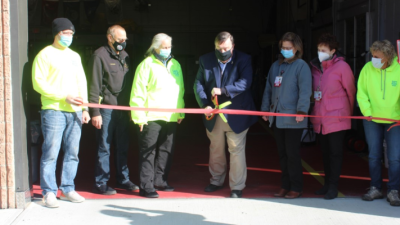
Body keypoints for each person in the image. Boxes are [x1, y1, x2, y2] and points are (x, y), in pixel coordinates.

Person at [32, 18, 90, 208]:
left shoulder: (74, 56)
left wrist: (85, 108)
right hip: (54, 110)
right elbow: (38, 83)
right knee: (51, 152)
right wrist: (63, 96)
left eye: (71, 33)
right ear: (56, 33)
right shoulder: (45, 55)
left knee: (73, 152)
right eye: (66, 33)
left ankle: (67, 189)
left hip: (74, 111)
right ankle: (48, 192)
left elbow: (82, 81)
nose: (69, 36)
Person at [194, 31, 258, 198]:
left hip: (236, 114)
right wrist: (204, 104)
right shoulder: (205, 60)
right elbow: (198, 84)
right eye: (219, 48)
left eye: (226, 48)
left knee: (236, 149)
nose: (223, 52)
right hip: (213, 113)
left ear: (233, 46)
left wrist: (222, 91)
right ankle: (216, 180)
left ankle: (236, 186)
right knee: (216, 149)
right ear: (214, 47)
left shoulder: (243, 59)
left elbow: (245, 83)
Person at [130, 33, 185, 198]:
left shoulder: (176, 64)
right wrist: (138, 116)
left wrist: (180, 110)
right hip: (151, 116)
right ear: (155, 47)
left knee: (166, 150)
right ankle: (146, 186)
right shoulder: (146, 65)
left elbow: (180, 90)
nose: (167, 50)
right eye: (164, 47)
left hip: (171, 116)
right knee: (148, 152)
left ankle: (160, 180)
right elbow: (137, 92)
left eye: (169, 47)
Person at [88, 25, 138, 195]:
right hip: (106, 109)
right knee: (105, 147)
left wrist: (132, 110)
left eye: (125, 40)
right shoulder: (99, 55)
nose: (123, 43)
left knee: (123, 145)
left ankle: (123, 179)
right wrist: (94, 112)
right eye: (120, 39)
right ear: (109, 38)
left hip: (123, 108)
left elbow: (130, 85)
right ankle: (100, 182)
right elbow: (94, 86)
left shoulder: (125, 56)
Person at [261, 32, 312, 199]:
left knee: (292, 154)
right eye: (283, 48)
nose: (285, 50)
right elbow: (268, 88)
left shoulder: (301, 66)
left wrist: (302, 111)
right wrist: (265, 110)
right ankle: (285, 185)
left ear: (297, 48)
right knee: (282, 154)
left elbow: (305, 91)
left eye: (288, 48)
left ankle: (296, 187)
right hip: (277, 117)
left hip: (293, 118)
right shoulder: (276, 65)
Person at [309, 33, 356, 200]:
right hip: (320, 118)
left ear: (333, 51)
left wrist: (348, 116)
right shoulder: (315, 67)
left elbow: (351, 92)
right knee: (325, 153)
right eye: (318, 49)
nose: (320, 52)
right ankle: (327, 184)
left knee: (335, 153)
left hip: (338, 118)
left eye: (324, 50)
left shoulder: (342, 67)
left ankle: (333, 187)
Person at [357, 40, 400, 206]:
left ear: (388, 57)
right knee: (374, 155)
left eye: (377, 56)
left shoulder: (398, 69)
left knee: (395, 157)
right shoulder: (368, 69)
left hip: (394, 121)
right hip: (371, 120)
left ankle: (393, 190)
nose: (373, 59)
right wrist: (367, 113)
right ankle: (375, 188)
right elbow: (361, 92)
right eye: (372, 55)